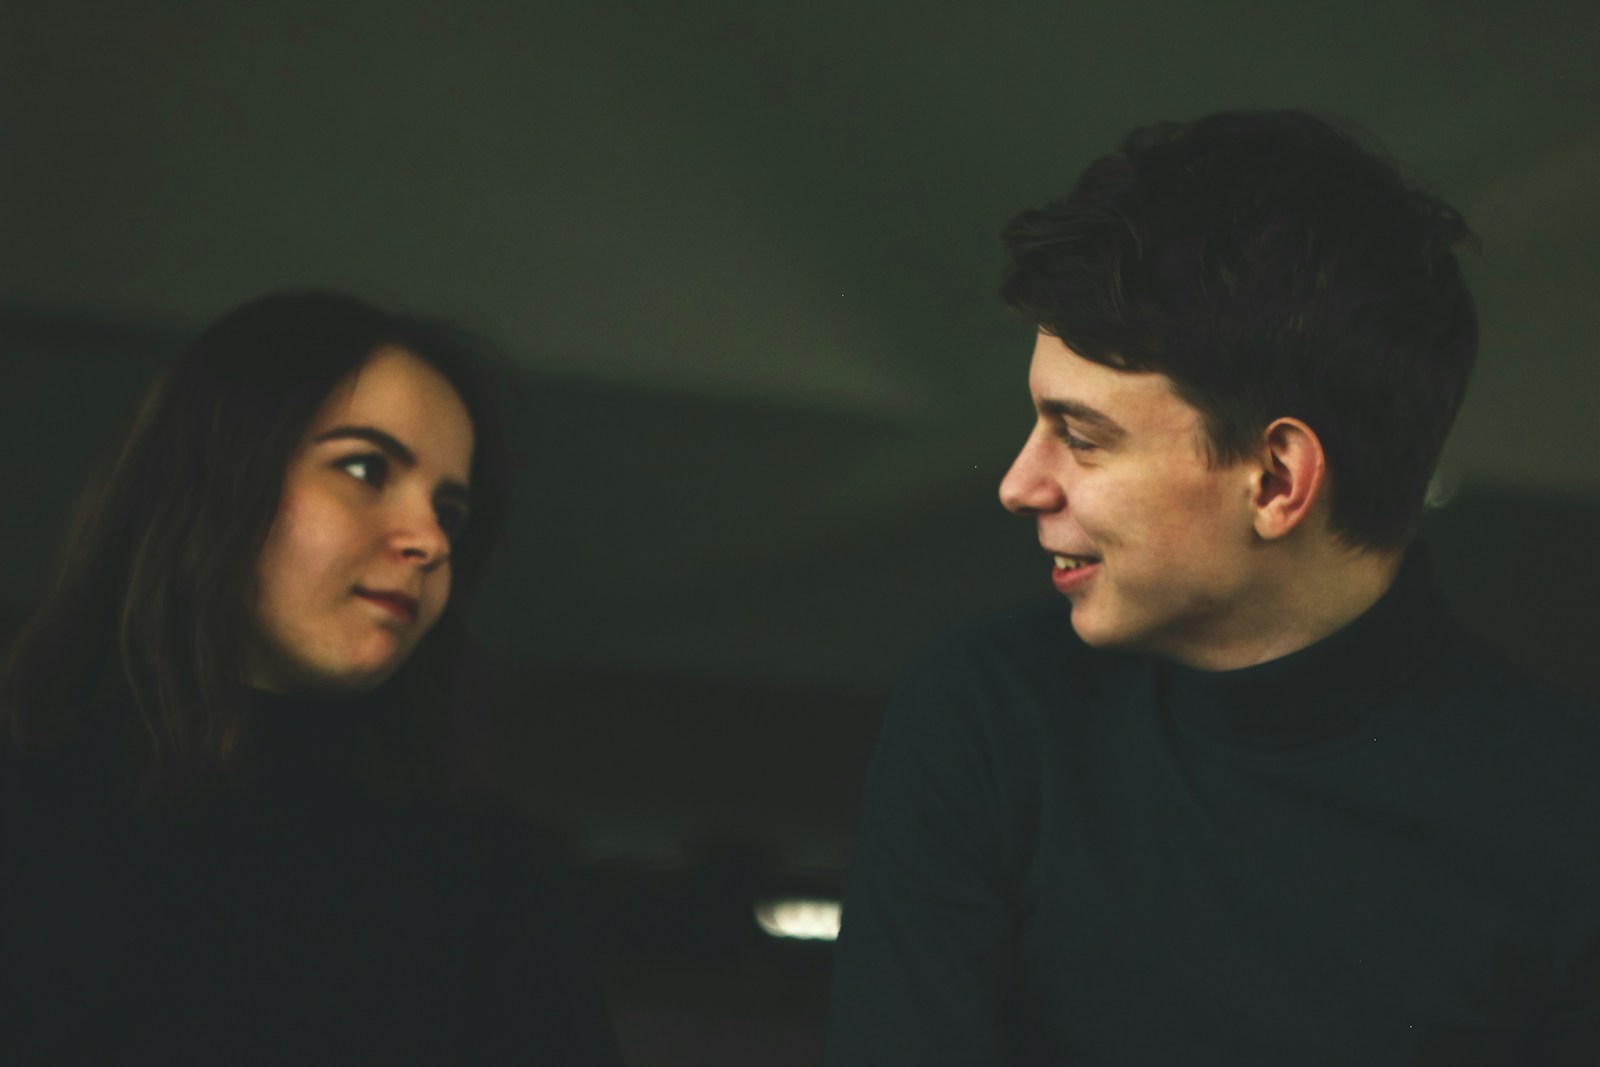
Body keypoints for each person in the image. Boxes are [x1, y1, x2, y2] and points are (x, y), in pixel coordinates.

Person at [825, 110, 1600, 1064]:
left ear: (1276, 480)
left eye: (1082, 433)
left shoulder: (1571, 815)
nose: (1019, 484)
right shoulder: (986, 715)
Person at [0, 291, 625, 1065]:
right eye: (365, 467)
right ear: (218, 472)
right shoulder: (25, 811)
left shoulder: (488, 877)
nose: (429, 539)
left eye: (451, 512)